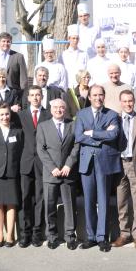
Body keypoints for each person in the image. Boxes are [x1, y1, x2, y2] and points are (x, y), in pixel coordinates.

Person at [75, 85, 122, 252]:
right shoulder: (81, 114)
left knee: (103, 201)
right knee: (88, 201)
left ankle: (102, 237)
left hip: (104, 162)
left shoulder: (112, 115)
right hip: (87, 162)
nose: (97, 98)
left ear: (104, 96)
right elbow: (79, 136)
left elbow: (113, 134)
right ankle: (91, 236)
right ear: (89, 97)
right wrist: (101, 135)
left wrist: (92, 133)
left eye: (100, 95)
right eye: (94, 95)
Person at [36, 98, 80, 250]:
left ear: (65, 109)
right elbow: (41, 149)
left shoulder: (72, 125)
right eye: (55, 107)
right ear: (51, 109)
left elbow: (76, 146)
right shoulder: (43, 126)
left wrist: (69, 164)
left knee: (69, 206)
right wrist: (52, 168)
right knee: (50, 207)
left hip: (68, 173)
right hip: (51, 174)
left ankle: (70, 237)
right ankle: (52, 236)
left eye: (62, 107)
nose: (59, 110)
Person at [112, 90, 136, 249]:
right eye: (125, 101)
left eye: (130, 101)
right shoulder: (115, 119)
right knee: (121, 201)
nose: (128, 104)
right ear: (120, 102)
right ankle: (124, 234)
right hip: (119, 164)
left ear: (134, 101)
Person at [17, 86, 51, 248]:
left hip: (42, 163)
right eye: (32, 95)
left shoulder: (48, 115)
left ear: (42, 96)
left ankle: (37, 232)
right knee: (25, 198)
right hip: (25, 161)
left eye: (38, 95)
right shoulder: (20, 116)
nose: (35, 97)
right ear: (28, 98)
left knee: (40, 198)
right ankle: (25, 232)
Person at [0, 103, 24, 247]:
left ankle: (10, 234)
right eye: (1, 114)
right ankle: (0, 234)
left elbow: (20, 151)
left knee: (11, 204)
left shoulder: (18, 132)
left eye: (7, 114)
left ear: (11, 114)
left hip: (12, 172)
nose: (5, 117)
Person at [59, 24, 88, 89]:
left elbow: (86, 70)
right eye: (73, 38)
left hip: (81, 87)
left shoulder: (84, 54)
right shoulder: (63, 55)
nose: (75, 40)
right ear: (69, 38)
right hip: (68, 86)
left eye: (77, 38)